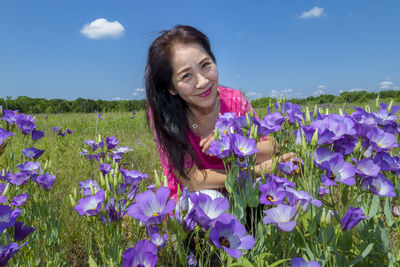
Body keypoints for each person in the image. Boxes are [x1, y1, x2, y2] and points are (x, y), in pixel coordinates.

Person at [145, 25, 295, 202]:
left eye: (205, 65)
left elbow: (272, 148)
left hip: (240, 191)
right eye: (186, 76)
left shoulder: (235, 101)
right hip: (195, 197)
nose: (202, 82)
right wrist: (253, 171)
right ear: (171, 88)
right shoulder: (164, 115)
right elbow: (192, 180)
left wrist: (230, 146)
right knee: (209, 197)